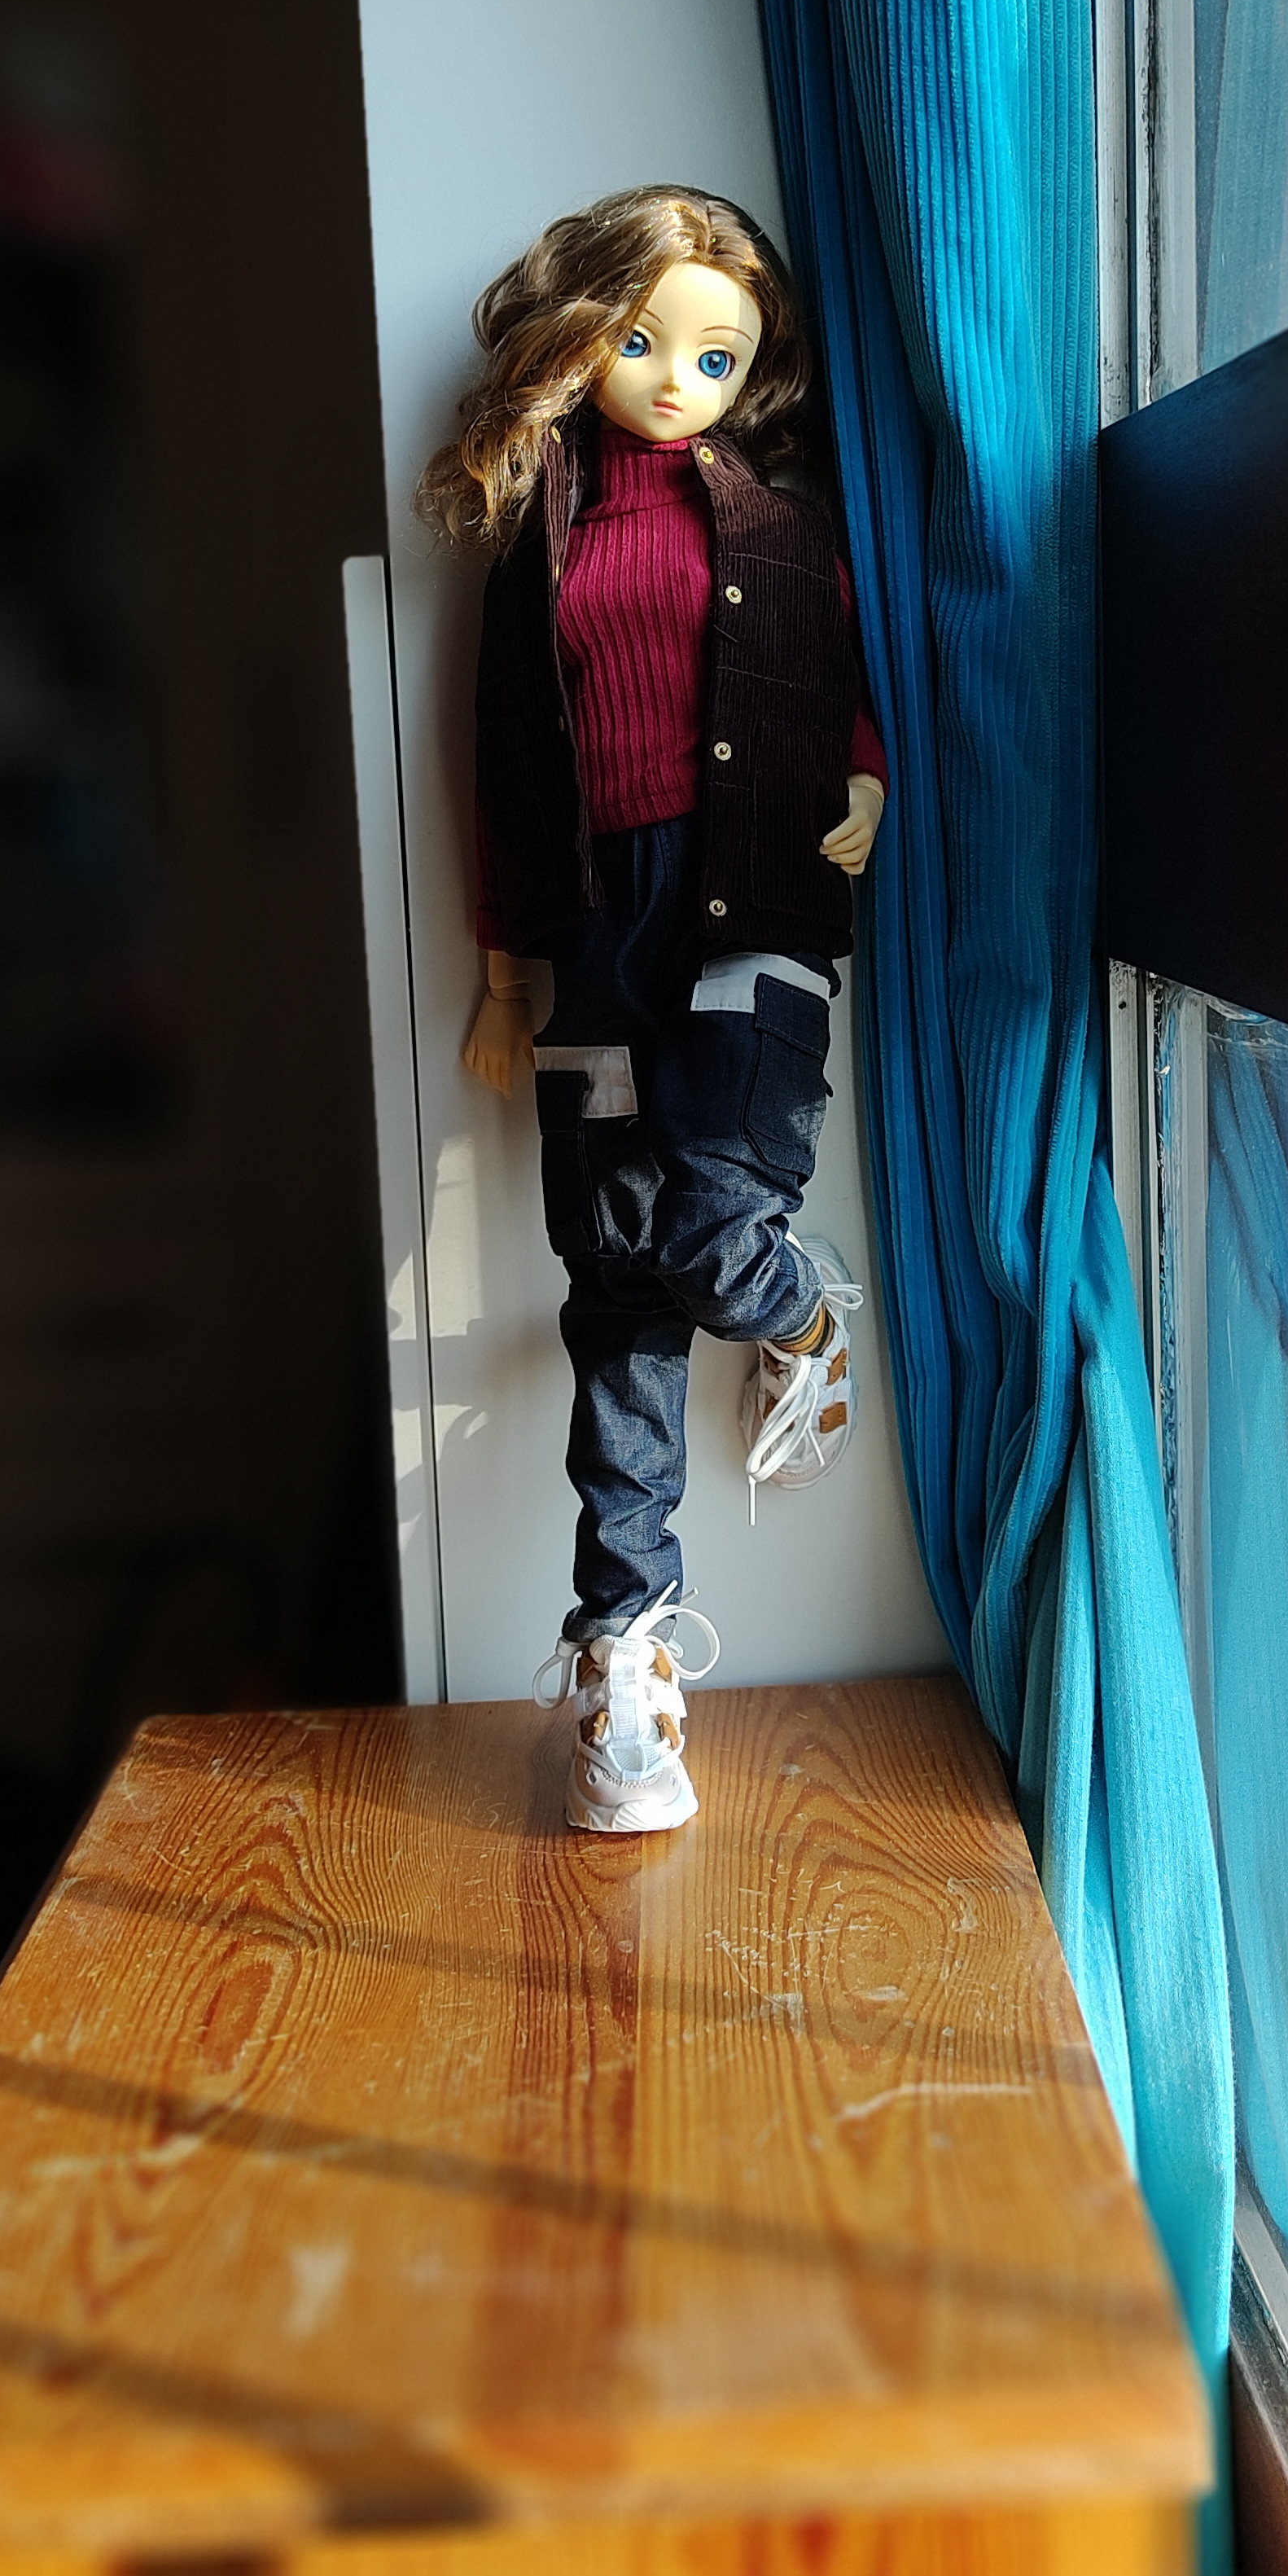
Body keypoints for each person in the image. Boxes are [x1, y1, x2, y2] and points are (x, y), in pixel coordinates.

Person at [417, 185, 887, 1835]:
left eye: (715, 355)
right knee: (614, 1273)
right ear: (585, 336)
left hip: (752, 905)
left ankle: (801, 1315)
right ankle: (624, 1655)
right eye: (643, 340)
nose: (679, 378)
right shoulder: (537, 543)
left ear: (752, 371)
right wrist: (502, 972)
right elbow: (499, 763)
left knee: (704, 1224)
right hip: (599, 927)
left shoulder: (785, 528)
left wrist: (863, 790)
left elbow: (844, 690)